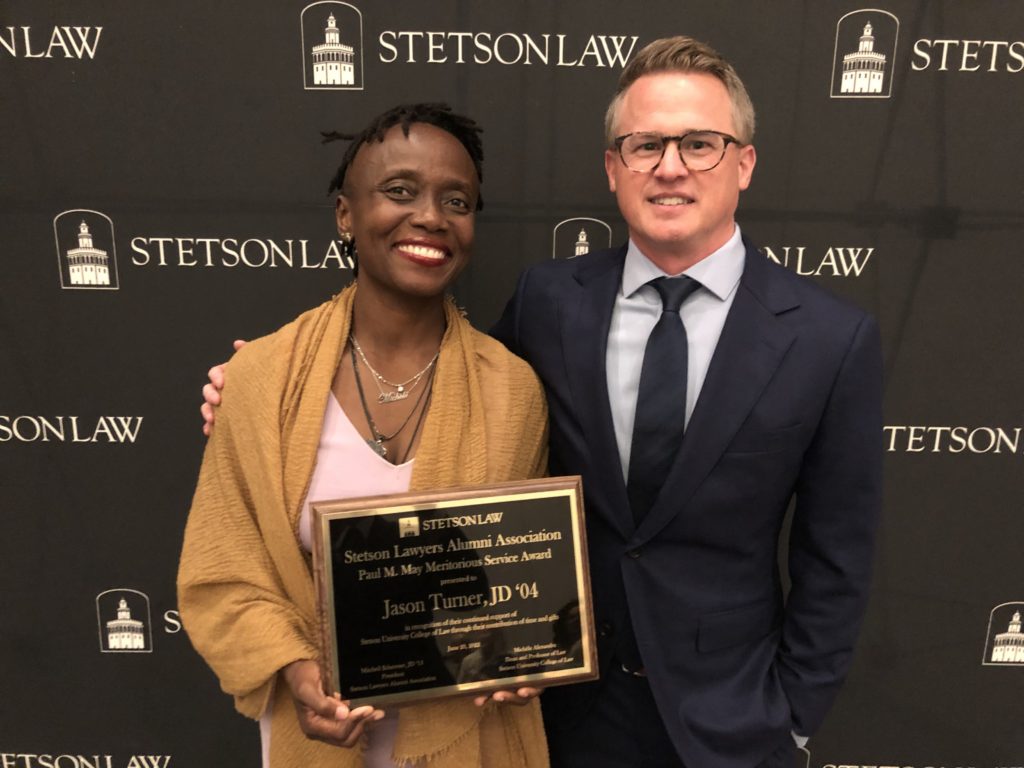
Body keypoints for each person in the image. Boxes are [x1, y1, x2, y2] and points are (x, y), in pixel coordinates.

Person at [203, 37, 883, 768]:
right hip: (556, 714)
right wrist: (267, 385)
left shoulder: (828, 339)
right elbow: (449, 400)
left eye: (700, 143)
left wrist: (793, 717)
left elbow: (835, 556)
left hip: (732, 723)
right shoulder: (549, 302)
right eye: (645, 143)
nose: (671, 165)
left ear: (744, 162)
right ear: (613, 168)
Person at [179, 103, 551, 768]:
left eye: (456, 200)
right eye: (400, 191)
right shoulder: (263, 379)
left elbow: (517, 572)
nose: (431, 217)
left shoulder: (512, 390)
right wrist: (296, 670)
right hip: (313, 738)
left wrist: (523, 646)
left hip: (472, 739)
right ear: (346, 215)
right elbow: (223, 576)